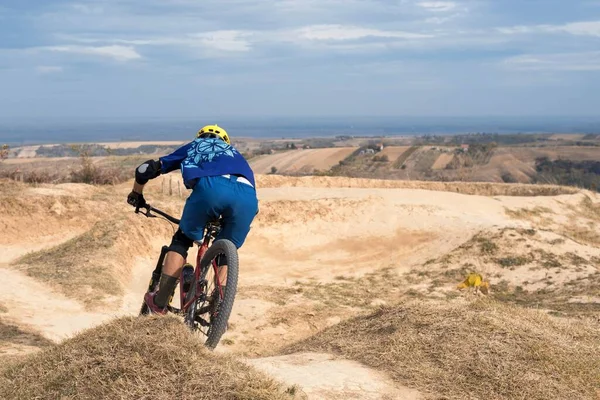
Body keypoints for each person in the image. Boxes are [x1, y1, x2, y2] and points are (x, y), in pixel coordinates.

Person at [127, 124, 258, 314]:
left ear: (201, 137)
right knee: (225, 250)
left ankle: (160, 302)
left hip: (211, 190)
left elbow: (145, 169)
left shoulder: (195, 145)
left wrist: (136, 194)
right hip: (247, 199)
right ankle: (219, 306)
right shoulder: (236, 154)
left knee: (182, 239)